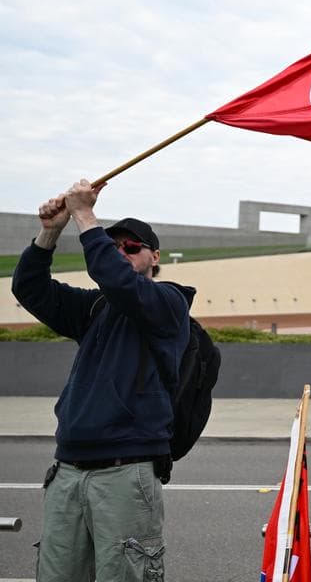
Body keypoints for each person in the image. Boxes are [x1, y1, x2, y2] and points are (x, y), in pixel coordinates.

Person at [12, 180, 193, 581]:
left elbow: (118, 281)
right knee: (56, 574)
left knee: (125, 575)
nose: (121, 253)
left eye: (132, 248)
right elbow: (29, 289)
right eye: (114, 248)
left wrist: (86, 216)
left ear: (155, 257)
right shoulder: (94, 307)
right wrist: (50, 231)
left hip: (126, 470)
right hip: (68, 469)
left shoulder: (169, 302)